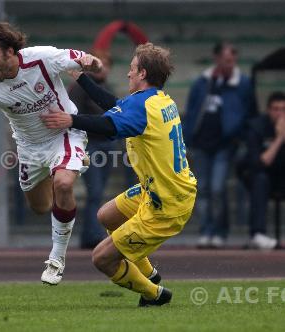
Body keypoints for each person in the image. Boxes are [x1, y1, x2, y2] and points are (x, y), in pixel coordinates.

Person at [41, 43, 197, 306]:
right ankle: (150, 273)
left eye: (132, 69)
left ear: (143, 73)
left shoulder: (142, 106)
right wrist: (81, 78)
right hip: (162, 190)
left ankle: (153, 294)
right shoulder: (157, 100)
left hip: (166, 204)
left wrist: (71, 120)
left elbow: (107, 126)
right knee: (107, 215)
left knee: (101, 258)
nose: (128, 74)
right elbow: (113, 106)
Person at [0, 22, 102, 285]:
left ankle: (56, 259)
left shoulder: (43, 58)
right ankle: (63, 168)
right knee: (40, 207)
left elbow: (84, 59)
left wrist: (93, 63)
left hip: (64, 132)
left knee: (64, 184)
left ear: (10, 52)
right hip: (29, 148)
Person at [183, 42, 252, 248]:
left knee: (217, 188)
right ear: (217, 59)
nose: (230, 65)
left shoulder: (242, 83)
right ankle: (206, 230)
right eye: (227, 60)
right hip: (201, 143)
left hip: (224, 144)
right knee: (202, 189)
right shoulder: (202, 82)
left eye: (233, 61)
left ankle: (220, 231)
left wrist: (236, 135)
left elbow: (246, 111)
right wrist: (188, 138)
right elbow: (192, 111)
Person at [67, 50, 115, 249]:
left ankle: (92, 233)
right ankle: (91, 235)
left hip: (108, 144)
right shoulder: (80, 87)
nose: (102, 69)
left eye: (106, 64)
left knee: (99, 191)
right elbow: (72, 115)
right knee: (94, 191)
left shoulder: (105, 87)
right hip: (90, 145)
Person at [239, 91, 285, 249]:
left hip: (281, 175)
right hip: (257, 174)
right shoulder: (256, 127)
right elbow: (259, 162)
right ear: (268, 110)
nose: (279, 113)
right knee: (261, 180)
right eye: (276, 109)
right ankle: (257, 234)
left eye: (283, 109)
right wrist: (279, 138)